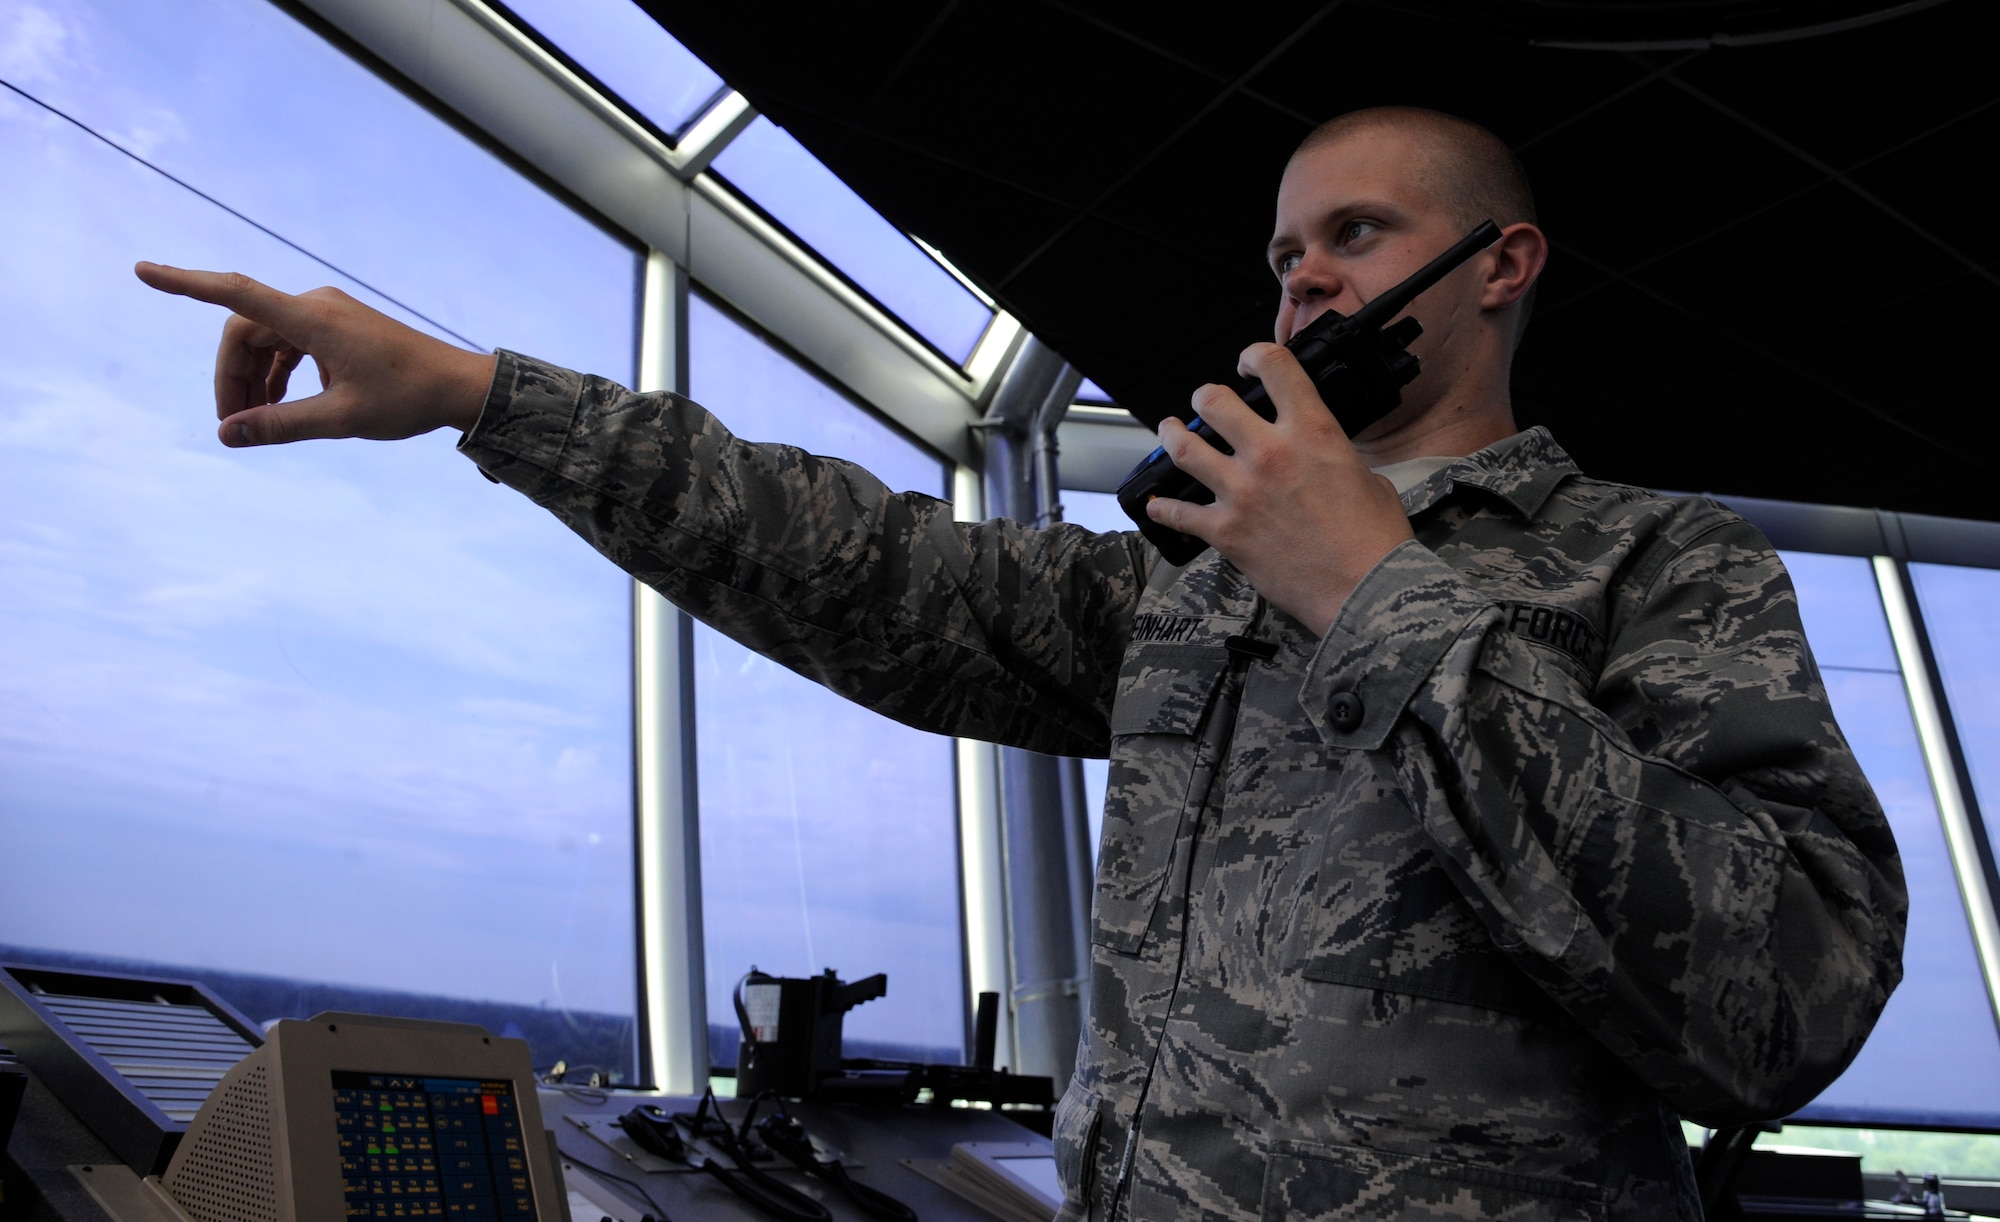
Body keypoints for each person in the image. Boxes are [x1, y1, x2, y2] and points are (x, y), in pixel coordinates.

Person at [136, 106, 1904, 1220]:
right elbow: (865, 566)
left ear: (1501, 262)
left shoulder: (1658, 563)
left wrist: (1370, 586)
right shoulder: (1193, 589)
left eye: (1355, 236)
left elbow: (1789, 998)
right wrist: (484, 395)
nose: (1302, 287)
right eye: (1284, 254)